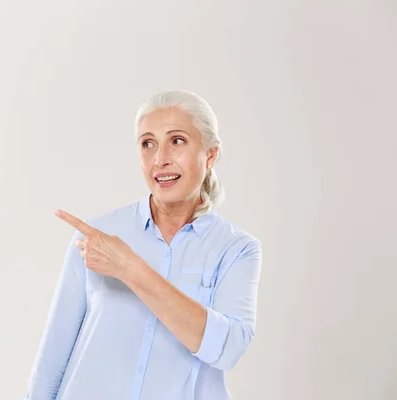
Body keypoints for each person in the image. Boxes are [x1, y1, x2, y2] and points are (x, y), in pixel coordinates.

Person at [23, 90, 263, 400]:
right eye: (148, 144)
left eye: (177, 141)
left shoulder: (236, 250)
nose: (160, 159)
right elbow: (52, 359)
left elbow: (228, 349)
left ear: (211, 154)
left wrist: (129, 267)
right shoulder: (97, 236)